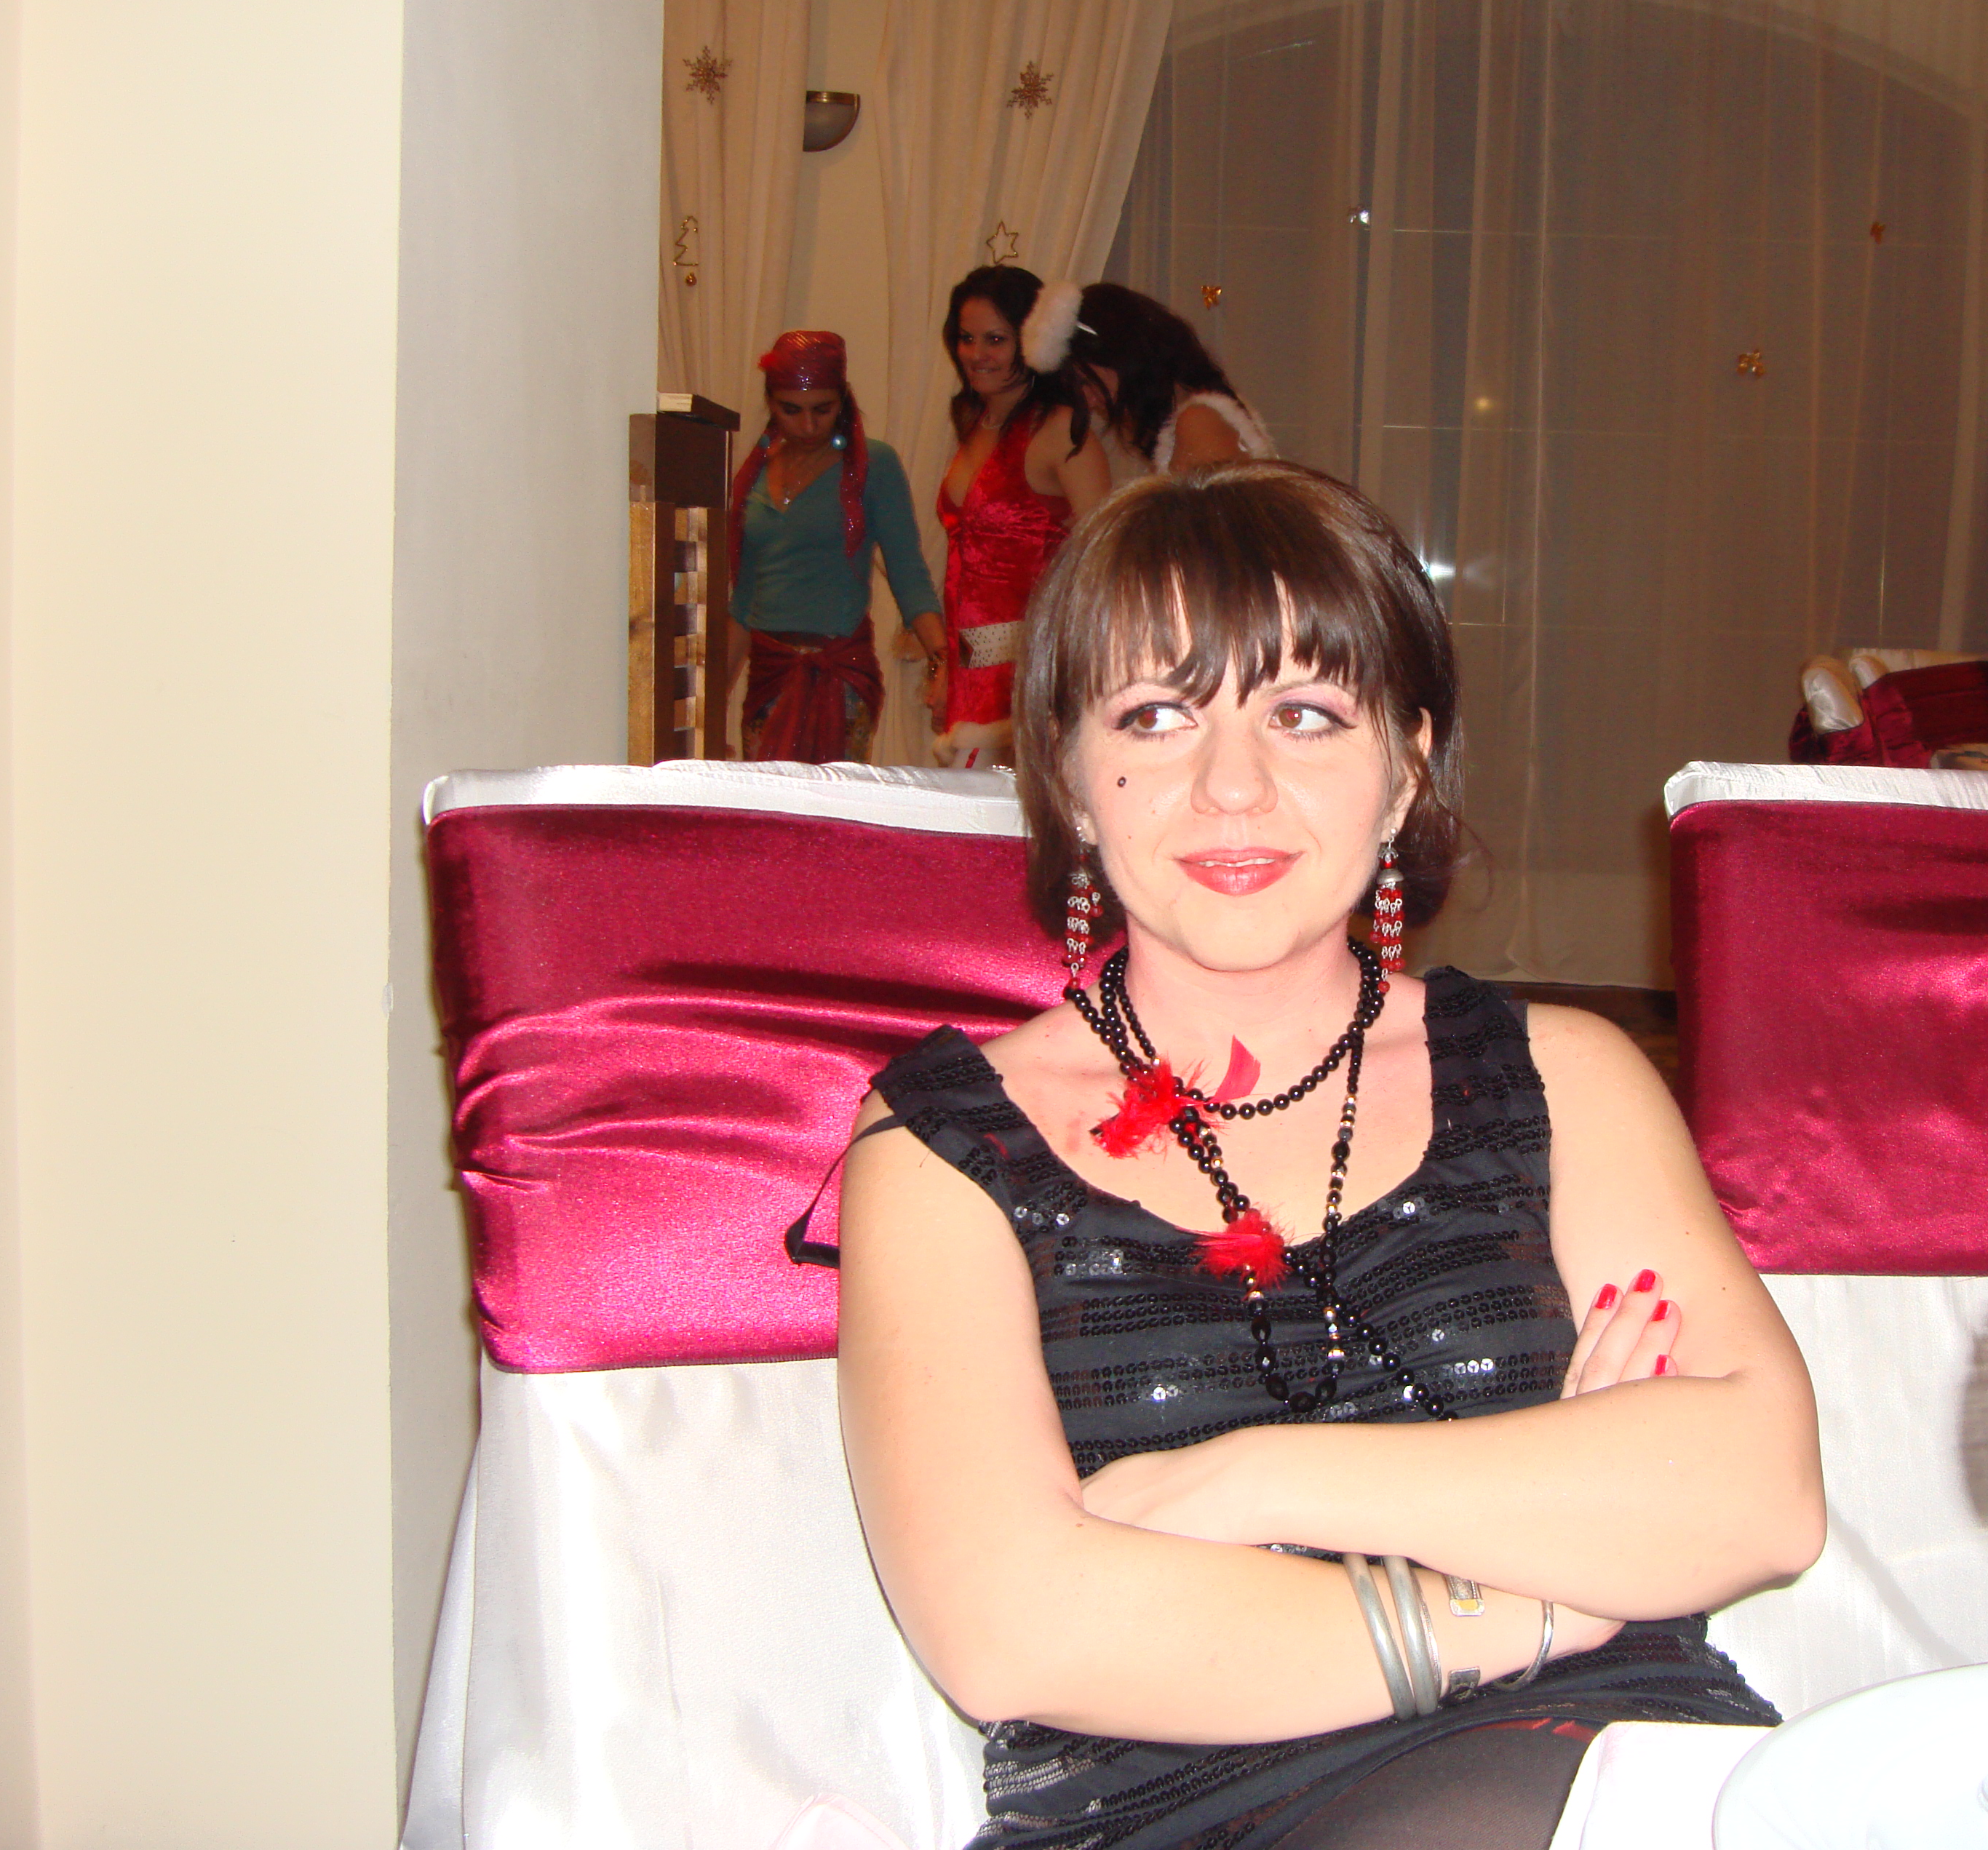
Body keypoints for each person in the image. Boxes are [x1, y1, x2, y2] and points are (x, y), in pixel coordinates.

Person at [836, 463, 1823, 1849]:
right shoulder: (946, 1145)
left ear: (1404, 767)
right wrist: (1535, 1599)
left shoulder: (1559, 1077)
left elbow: (1760, 1493)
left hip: (1625, 1771)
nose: (1231, 786)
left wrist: (1253, 1476)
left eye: (1303, 714)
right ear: (1065, 772)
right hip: (1188, 1813)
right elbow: (1013, 1624)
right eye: (1156, 716)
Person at [723, 331, 945, 762]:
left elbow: (909, 576)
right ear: (770, 403)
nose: (808, 425)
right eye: (792, 410)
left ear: (842, 401)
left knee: (834, 797)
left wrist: (943, 664)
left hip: (840, 676)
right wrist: (710, 705)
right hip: (769, 673)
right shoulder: (754, 473)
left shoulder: (873, 465)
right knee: (767, 800)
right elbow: (744, 600)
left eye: (822, 410)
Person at [934, 266, 1113, 766]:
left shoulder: (1060, 430)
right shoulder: (975, 422)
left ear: (1031, 342)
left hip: (1030, 680)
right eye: (966, 338)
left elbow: (1106, 562)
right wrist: (946, 669)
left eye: (995, 339)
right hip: (968, 674)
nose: (976, 354)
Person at [1022, 280, 1277, 486]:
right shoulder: (1194, 414)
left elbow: (1216, 531)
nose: (1088, 400)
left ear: (1125, 358)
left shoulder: (1198, 422)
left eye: (1088, 382)